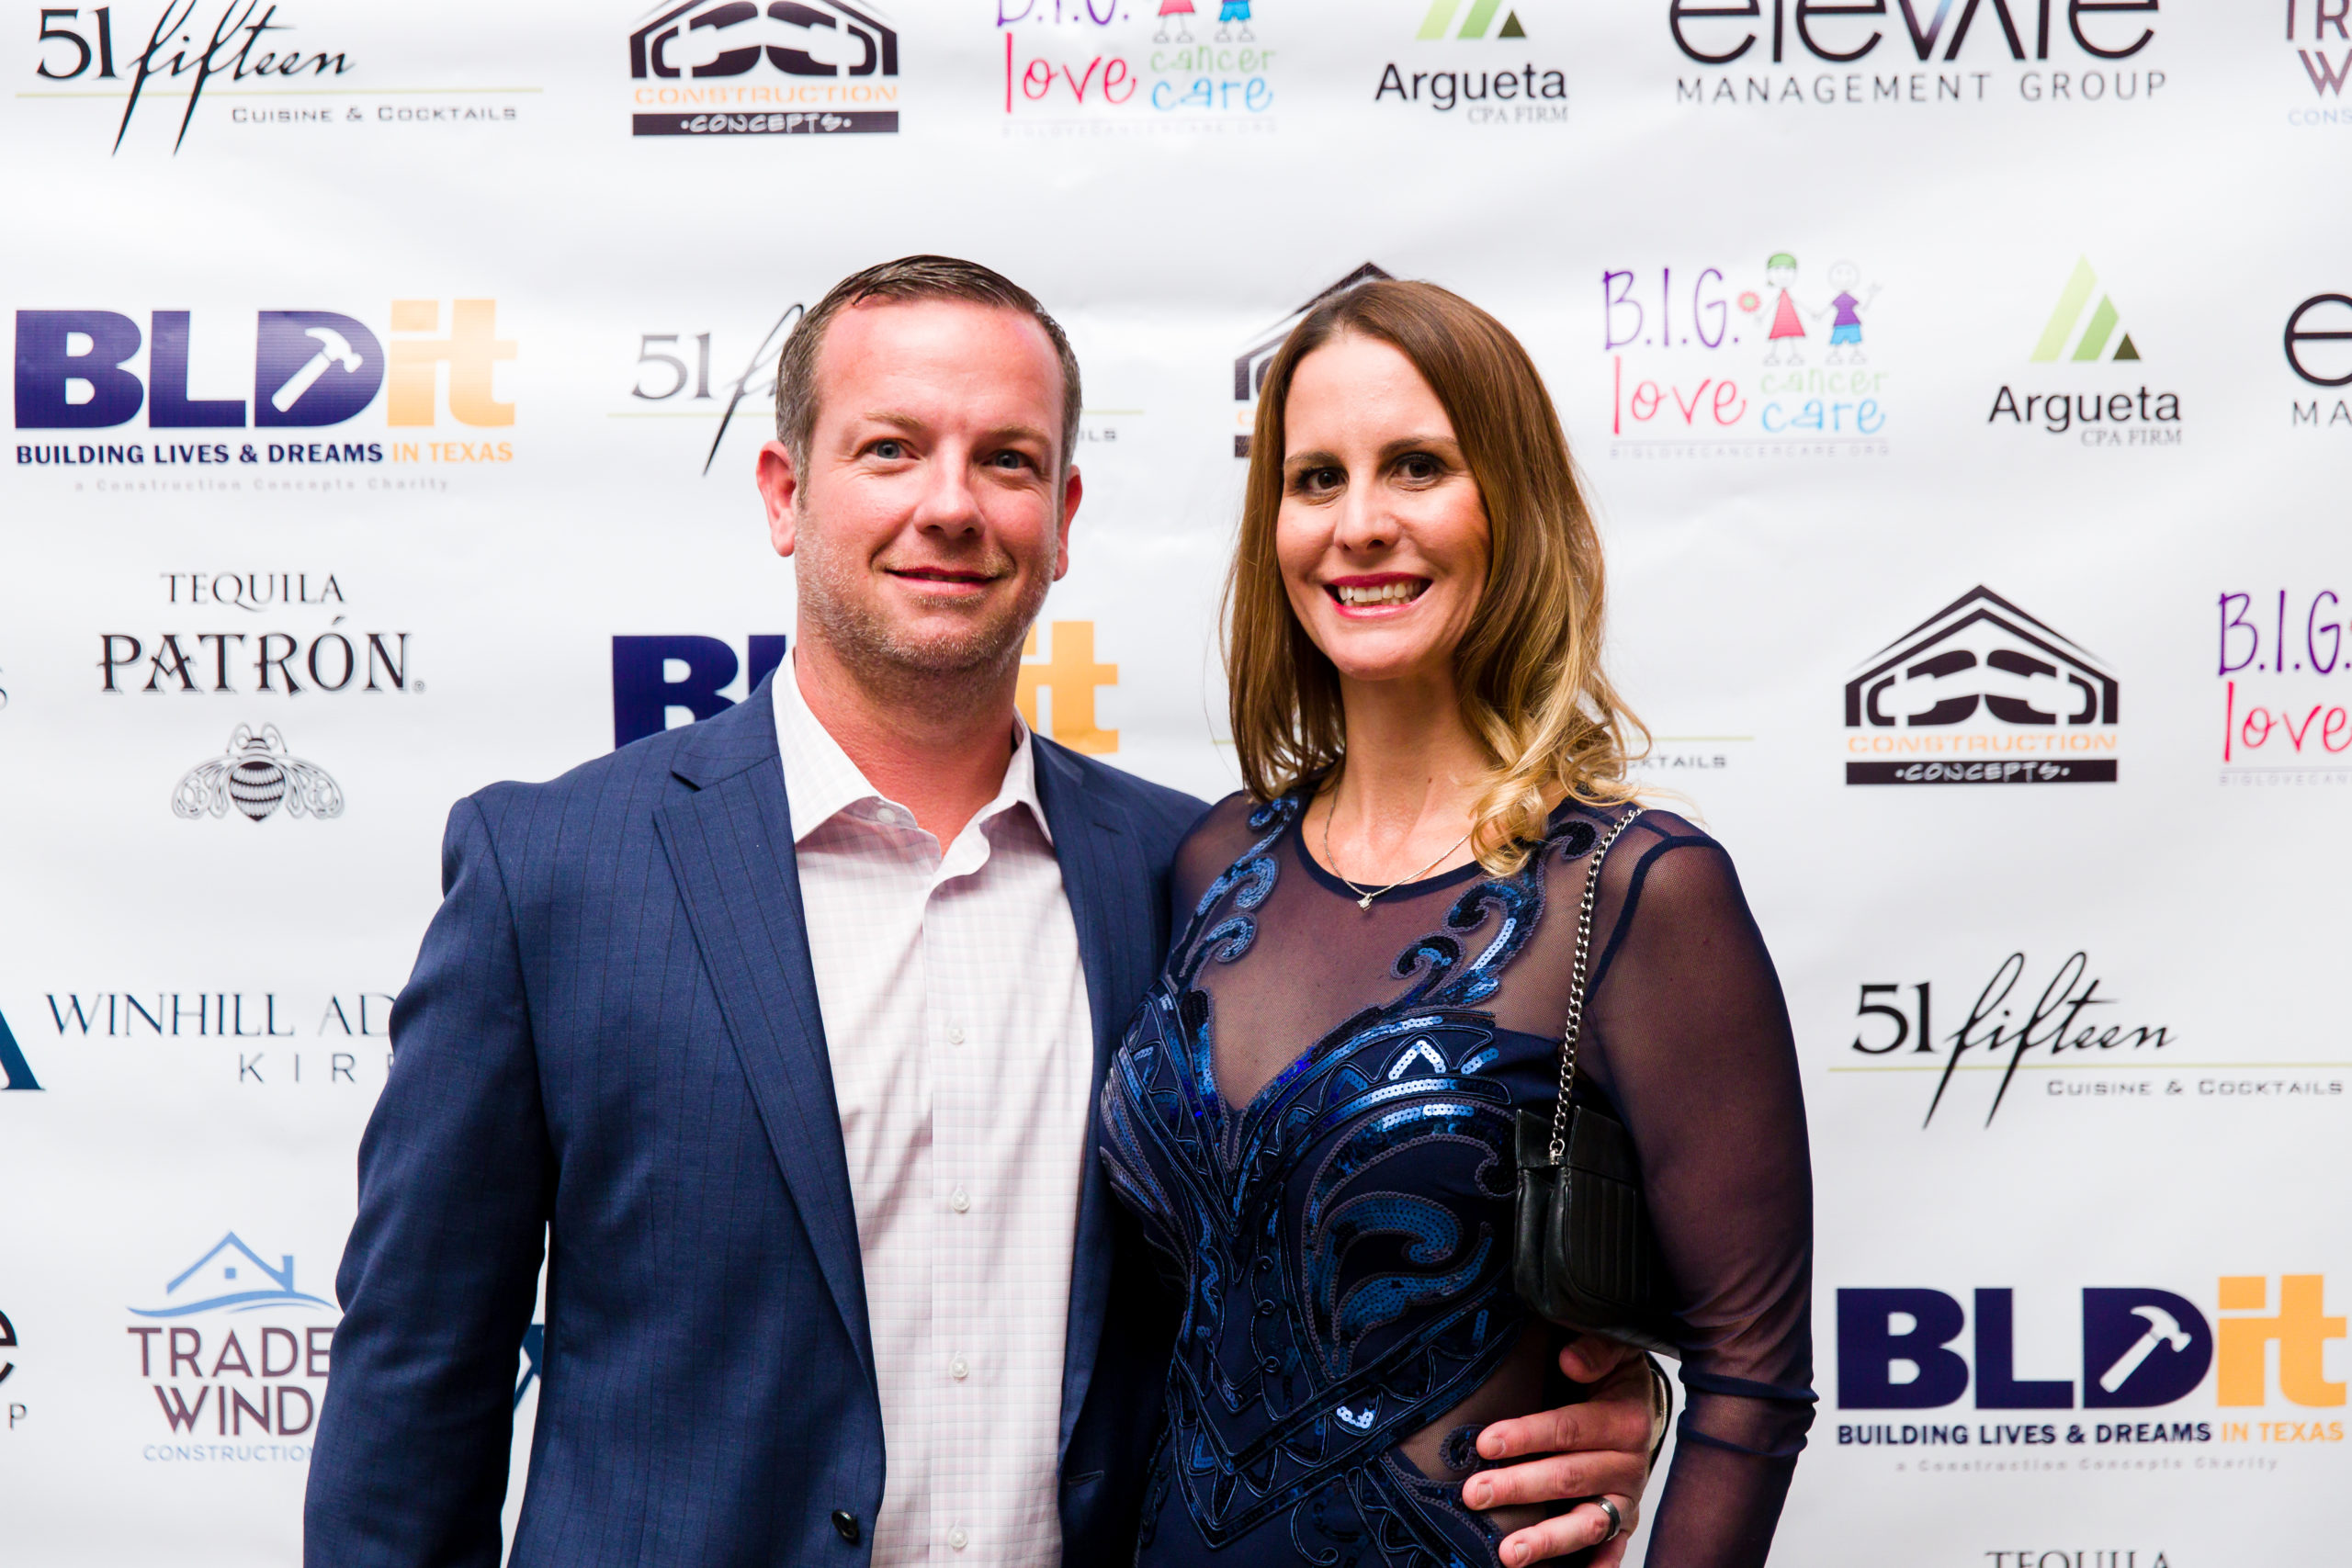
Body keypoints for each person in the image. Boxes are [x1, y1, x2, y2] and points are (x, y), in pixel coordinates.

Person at [303, 256, 1662, 1568]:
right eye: (890, 450)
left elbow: (1325, 1251)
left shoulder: (1198, 879)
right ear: (784, 493)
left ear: (1063, 518)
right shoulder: (553, 872)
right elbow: (416, 1379)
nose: (950, 506)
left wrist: (1594, 1399)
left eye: (1006, 461)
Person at [1099, 280, 1814, 1567]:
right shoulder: (1213, 859)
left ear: (1511, 508)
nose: (1360, 525)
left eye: (1418, 467)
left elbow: (1752, 1377)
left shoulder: (1636, 890)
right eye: (1316, 480)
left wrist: (1639, 1417)